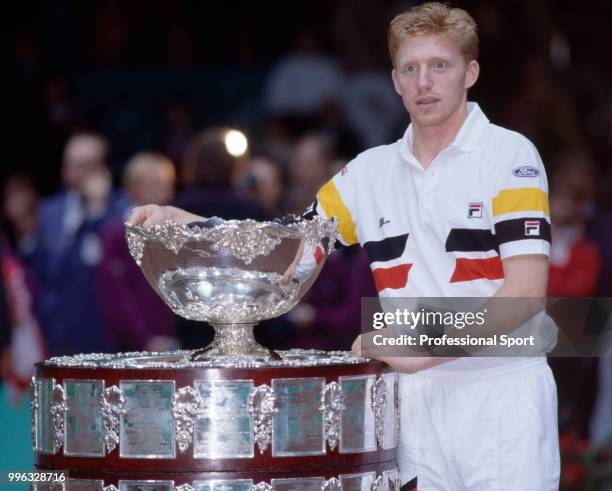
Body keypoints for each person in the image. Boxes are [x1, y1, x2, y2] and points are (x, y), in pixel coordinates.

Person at [128, 3, 559, 489]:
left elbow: (525, 297)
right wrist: (188, 221)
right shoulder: (367, 173)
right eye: (410, 69)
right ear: (394, 80)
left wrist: (417, 347)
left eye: (440, 66)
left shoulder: (510, 155)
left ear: (470, 73)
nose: (424, 83)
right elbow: (287, 251)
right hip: (411, 405)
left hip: (500, 397)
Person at [29, 132, 128, 355]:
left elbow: (117, 263)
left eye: (82, 165)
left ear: (102, 168)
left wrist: (98, 210)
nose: (71, 172)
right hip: (57, 329)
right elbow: (40, 268)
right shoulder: (49, 211)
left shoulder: (119, 209)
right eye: (69, 164)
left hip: (103, 330)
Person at [97, 152, 179, 352]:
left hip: (172, 342)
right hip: (130, 347)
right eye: (155, 183)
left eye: (167, 183)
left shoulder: (177, 232)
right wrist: (145, 338)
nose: (164, 190)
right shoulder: (116, 234)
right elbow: (116, 295)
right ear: (133, 187)